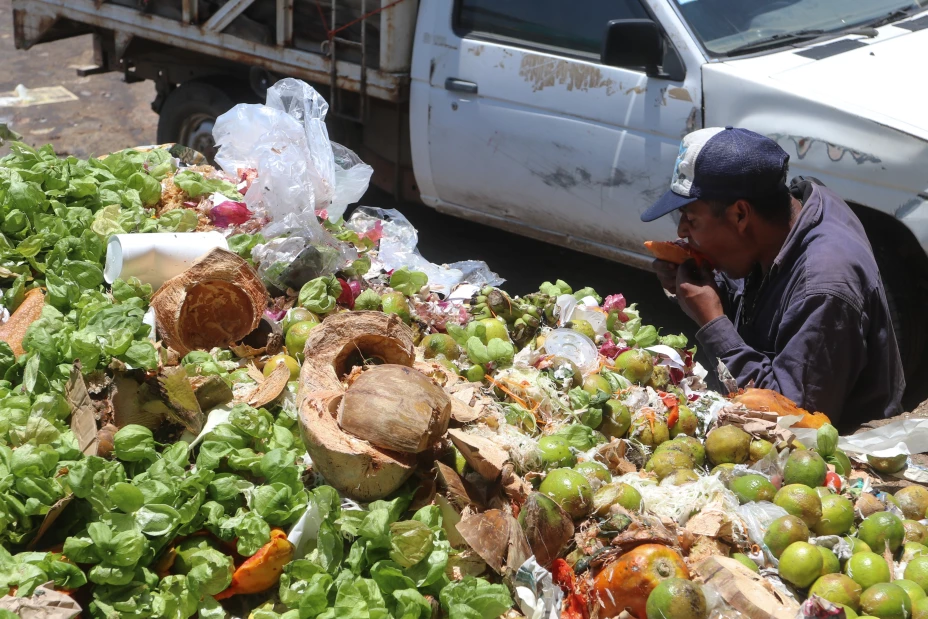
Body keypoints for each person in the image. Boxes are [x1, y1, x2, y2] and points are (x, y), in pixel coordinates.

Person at [642, 126, 905, 428]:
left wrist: (713, 322)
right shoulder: (785, 218)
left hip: (834, 451)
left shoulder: (822, 284)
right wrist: (709, 283)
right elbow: (760, 299)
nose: (682, 232)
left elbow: (792, 420)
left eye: (691, 219)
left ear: (740, 214)